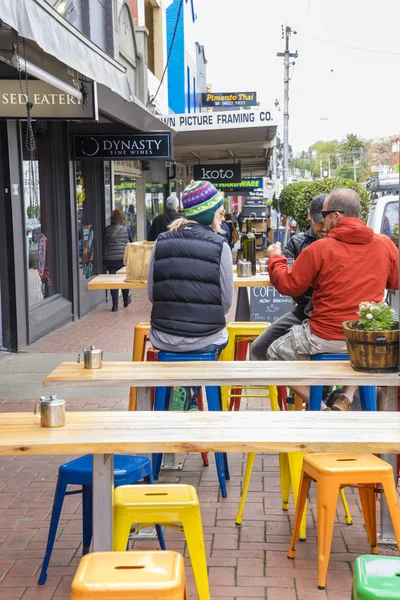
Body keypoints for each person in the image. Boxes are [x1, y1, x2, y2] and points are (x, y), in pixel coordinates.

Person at [265, 188, 398, 411]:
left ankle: (325, 407)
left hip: (325, 336)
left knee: (273, 355)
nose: (322, 222)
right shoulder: (385, 244)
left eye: (324, 215)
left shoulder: (319, 249)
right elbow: (395, 282)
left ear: (336, 216)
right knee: (359, 351)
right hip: (366, 339)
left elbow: (288, 285)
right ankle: (345, 397)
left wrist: (276, 259)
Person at [148, 180, 234, 411]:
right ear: (209, 213)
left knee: (192, 343)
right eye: (220, 212)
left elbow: (151, 295)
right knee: (221, 338)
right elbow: (226, 304)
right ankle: (191, 389)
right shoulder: (220, 246)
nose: (222, 218)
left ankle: (186, 392)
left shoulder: (160, 241)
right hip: (205, 338)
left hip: (163, 337)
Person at [251, 194, 328, 361]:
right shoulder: (298, 242)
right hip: (301, 313)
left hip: (326, 318)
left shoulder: (336, 244)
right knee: (258, 349)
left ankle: (319, 387)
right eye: (318, 221)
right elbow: (283, 274)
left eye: (326, 222)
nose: (323, 227)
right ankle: (310, 386)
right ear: (309, 216)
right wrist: (275, 259)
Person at [103, 209, 133, 312]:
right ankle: (125, 301)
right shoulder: (126, 229)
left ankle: (115, 305)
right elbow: (131, 242)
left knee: (113, 282)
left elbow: (104, 243)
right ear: (121, 218)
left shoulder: (107, 230)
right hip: (122, 259)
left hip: (110, 259)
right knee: (124, 280)